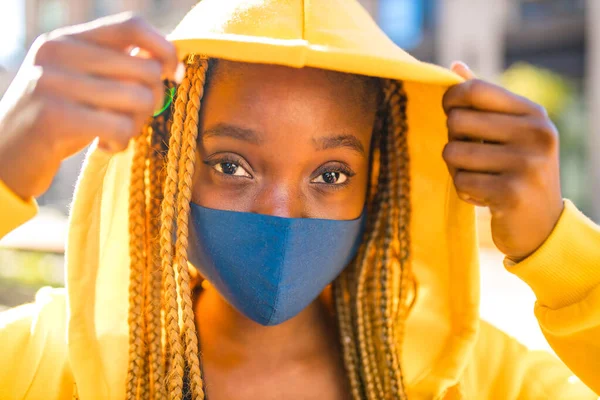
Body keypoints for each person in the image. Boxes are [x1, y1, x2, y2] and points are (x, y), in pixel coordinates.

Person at [0, 1, 598, 399]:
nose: (280, 213)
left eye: (332, 174)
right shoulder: (44, 362)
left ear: (382, 179)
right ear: (169, 165)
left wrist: (561, 255)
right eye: (232, 165)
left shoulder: (483, 381)